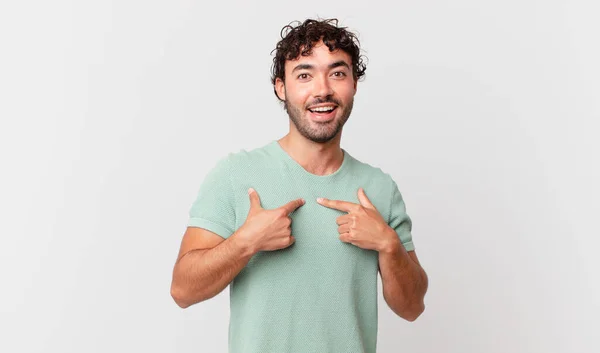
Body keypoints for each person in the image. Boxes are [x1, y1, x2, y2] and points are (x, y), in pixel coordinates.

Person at [170, 18, 428, 353]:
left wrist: (389, 245)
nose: (322, 89)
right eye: (304, 75)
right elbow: (182, 291)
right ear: (281, 87)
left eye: (337, 73)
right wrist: (245, 242)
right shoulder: (236, 175)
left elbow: (412, 307)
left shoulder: (378, 188)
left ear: (354, 84)